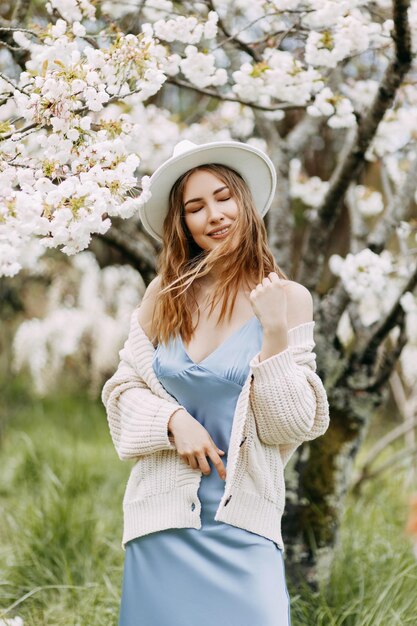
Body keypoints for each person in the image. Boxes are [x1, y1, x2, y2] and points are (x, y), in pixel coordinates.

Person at [101, 139, 330, 626]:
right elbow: (120, 395)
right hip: (162, 522)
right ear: (182, 223)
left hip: (244, 522)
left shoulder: (288, 298)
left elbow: (289, 425)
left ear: (245, 202)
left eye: (224, 197)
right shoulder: (164, 294)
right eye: (195, 207)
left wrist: (272, 334)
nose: (214, 215)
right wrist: (171, 421)